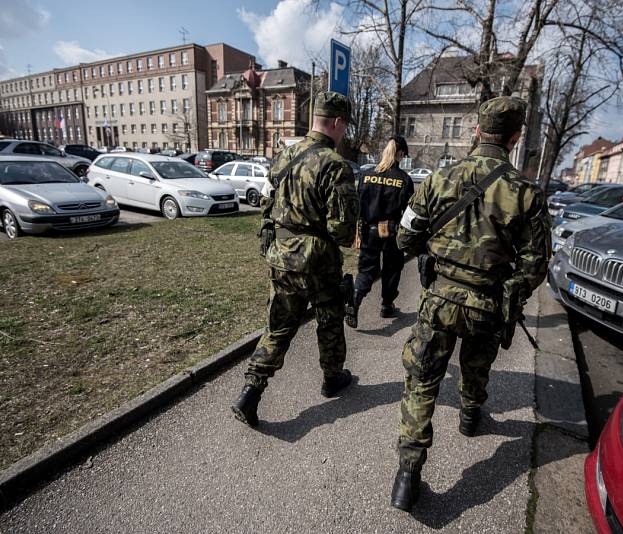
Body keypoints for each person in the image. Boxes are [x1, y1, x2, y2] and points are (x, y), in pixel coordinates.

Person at [389, 96, 551, 511]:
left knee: (422, 380)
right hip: (488, 304)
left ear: (477, 131)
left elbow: (405, 239)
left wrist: (432, 255)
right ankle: (469, 416)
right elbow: (536, 265)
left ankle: (408, 474)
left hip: (439, 299)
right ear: (515, 138)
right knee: (477, 366)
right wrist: (510, 296)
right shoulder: (528, 193)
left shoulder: (438, 179)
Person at [231, 91, 359, 428]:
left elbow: (271, 205)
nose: (344, 131)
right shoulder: (335, 165)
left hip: (282, 257)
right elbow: (343, 230)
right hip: (318, 263)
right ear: (337, 122)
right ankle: (333, 378)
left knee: (278, 328)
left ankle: (250, 391)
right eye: (344, 126)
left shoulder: (283, 155)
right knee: (329, 321)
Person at [345, 135, 414, 328]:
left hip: (369, 229)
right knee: (392, 269)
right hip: (390, 230)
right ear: (401, 153)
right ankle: (386, 304)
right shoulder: (404, 179)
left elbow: (358, 204)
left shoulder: (366, 175)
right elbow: (409, 212)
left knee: (367, 269)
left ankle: (356, 298)